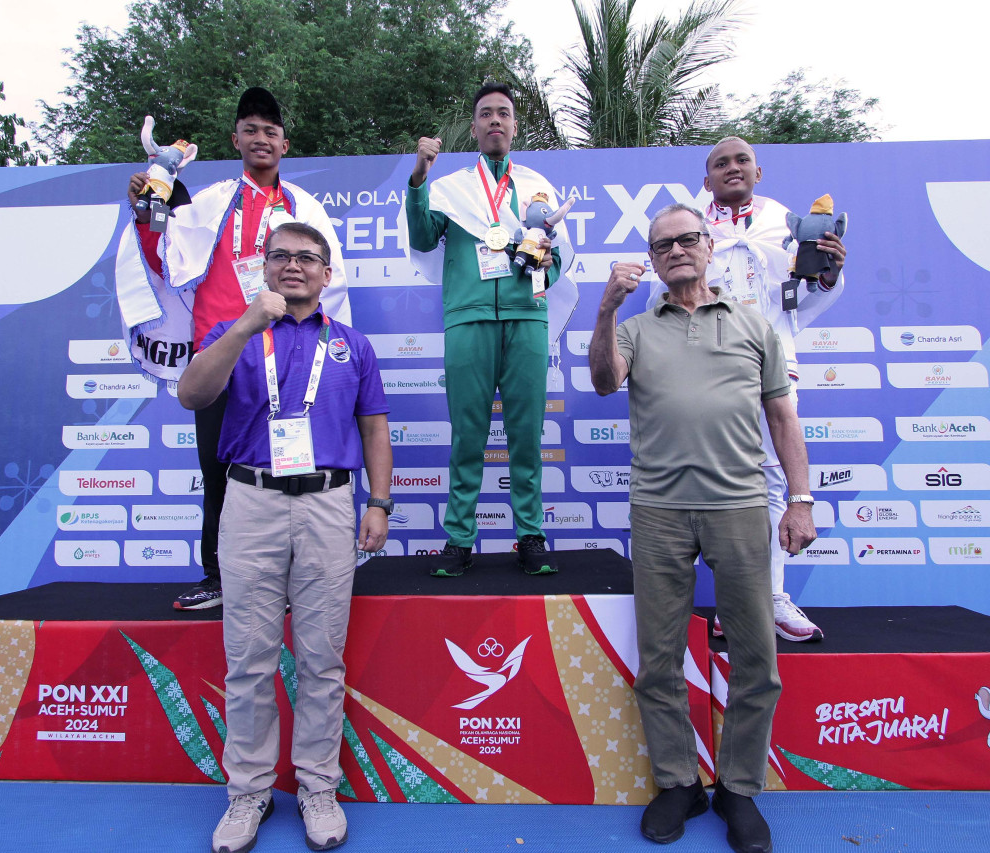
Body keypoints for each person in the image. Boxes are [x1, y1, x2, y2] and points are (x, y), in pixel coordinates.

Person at [591, 204, 817, 851]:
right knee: (658, 660)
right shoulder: (635, 328)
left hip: (742, 505)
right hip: (658, 509)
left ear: (709, 244)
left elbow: (784, 418)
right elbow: (605, 381)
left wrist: (799, 498)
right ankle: (677, 782)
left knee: (756, 658)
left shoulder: (754, 325)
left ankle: (738, 789)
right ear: (654, 260)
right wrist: (606, 307)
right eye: (663, 245)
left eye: (688, 238)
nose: (677, 250)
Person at [177, 222, 392, 853]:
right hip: (250, 503)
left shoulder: (352, 345)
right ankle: (248, 792)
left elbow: (375, 430)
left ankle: (317, 787)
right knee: (249, 660)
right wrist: (247, 324)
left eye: (308, 259)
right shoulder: (231, 334)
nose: (294, 267)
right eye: (281, 257)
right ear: (263, 269)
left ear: (327, 275)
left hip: (329, 505)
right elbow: (192, 393)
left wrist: (378, 502)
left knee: (322, 658)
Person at [115, 86, 350, 611]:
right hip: (224, 356)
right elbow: (166, 260)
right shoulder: (209, 202)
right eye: (251, 130)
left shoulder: (305, 209)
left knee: (288, 469)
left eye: (271, 131)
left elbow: (330, 289)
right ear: (235, 139)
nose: (261, 139)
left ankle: (291, 582)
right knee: (218, 469)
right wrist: (148, 208)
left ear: (285, 144)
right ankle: (218, 578)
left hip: (289, 358)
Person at [647, 136, 847, 642]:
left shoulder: (785, 222)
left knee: (776, 480)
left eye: (741, 161)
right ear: (706, 176)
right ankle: (736, 599)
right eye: (720, 163)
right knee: (721, 482)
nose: (732, 168)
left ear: (759, 171)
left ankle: (772, 596)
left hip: (773, 361)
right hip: (709, 372)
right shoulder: (686, 228)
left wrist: (827, 274)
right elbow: (662, 295)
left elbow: (798, 299)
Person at [405, 81, 573, 577]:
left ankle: (530, 534)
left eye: (504, 113)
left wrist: (537, 262)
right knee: (468, 436)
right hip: (468, 319)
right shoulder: (450, 188)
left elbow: (559, 258)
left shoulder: (539, 186)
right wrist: (418, 176)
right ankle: (459, 538)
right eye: (486, 114)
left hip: (526, 319)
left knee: (526, 436)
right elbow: (421, 236)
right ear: (474, 126)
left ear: (515, 125)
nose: (495, 121)